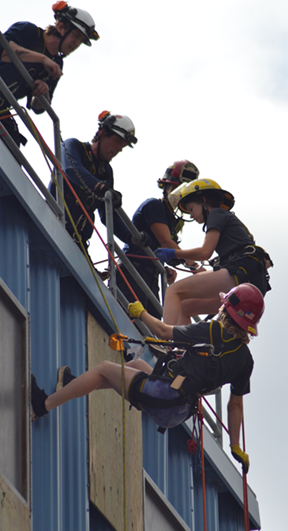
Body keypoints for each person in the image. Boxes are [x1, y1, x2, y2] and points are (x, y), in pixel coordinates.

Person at [31, 283, 264, 474]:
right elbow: (235, 405)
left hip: (165, 395)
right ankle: (73, 386)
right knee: (137, 366)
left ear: (228, 311)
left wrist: (140, 313)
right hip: (179, 411)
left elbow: (163, 332)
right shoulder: (246, 361)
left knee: (103, 368)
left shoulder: (213, 330)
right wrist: (235, 446)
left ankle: (42, 405)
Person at [154, 178, 272, 325]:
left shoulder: (216, 214)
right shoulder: (227, 219)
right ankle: (184, 347)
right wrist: (197, 269)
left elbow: (205, 252)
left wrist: (174, 253)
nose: (191, 215)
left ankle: (166, 339)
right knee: (184, 307)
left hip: (241, 270)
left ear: (203, 201)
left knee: (173, 292)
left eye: (191, 209)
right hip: (251, 279)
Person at [0, 2, 99, 147]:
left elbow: (38, 108)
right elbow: (5, 52)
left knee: (13, 144)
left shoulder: (56, 64)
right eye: (76, 36)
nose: (77, 43)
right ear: (60, 27)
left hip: (3, 109)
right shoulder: (29, 31)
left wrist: (43, 93)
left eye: (81, 41)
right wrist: (43, 59)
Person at [116, 160, 200, 318]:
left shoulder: (172, 221)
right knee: (131, 322)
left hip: (151, 277)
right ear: (167, 187)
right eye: (177, 189)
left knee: (152, 330)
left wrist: (163, 267)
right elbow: (165, 242)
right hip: (133, 271)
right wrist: (194, 266)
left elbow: (166, 251)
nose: (180, 195)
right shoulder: (154, 206)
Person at [53, 110, 138, 254]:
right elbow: (71, 169)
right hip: (53, 224)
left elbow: (108, 215)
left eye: (122, 146)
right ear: (102, 133)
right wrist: (101, 187)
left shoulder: (106, 172)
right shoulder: (74, 146)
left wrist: (132, 237)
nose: (119, 150)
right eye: (117, 142)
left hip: (78, 242)